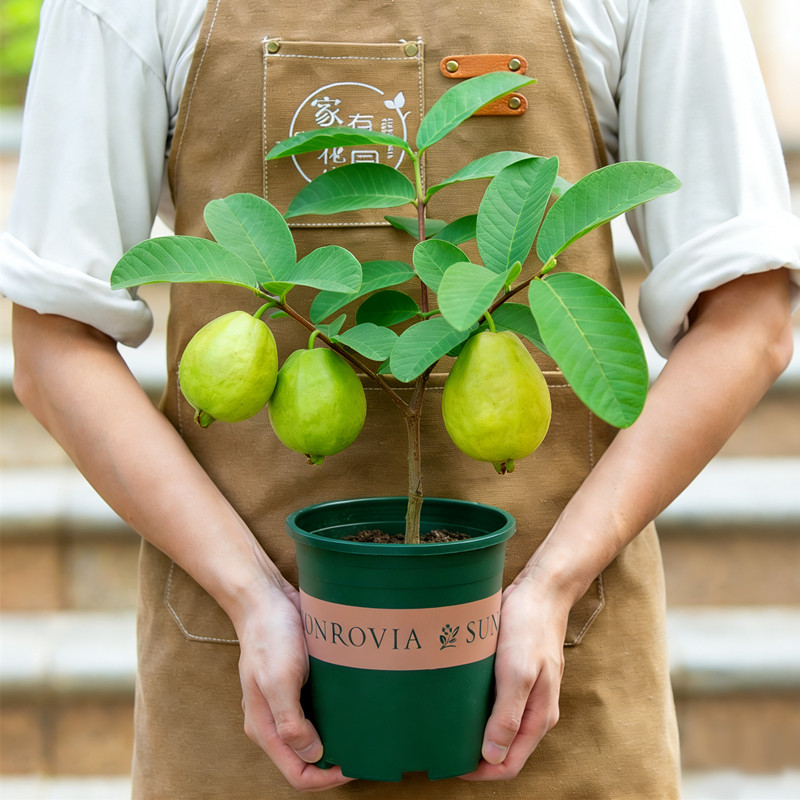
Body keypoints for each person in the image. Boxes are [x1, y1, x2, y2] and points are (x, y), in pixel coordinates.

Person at [2, 0, 798, 797]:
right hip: (241, 676)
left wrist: (554, 585)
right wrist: (250, 597)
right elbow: (51, 339)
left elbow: (749, 318)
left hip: (562, 674)